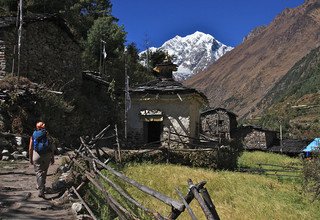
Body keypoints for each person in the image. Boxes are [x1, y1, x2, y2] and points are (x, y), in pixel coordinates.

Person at [29, 121, 54, 198]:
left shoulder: (34, 135)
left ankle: (41, 189)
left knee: (38, 172)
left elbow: (30, 148)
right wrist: (52, 157)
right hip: (47, 155)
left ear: (37, 127)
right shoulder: (47, 134)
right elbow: (51, 146)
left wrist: (30, 158)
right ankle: (42, 187)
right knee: (44, 171)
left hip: (36, 155)